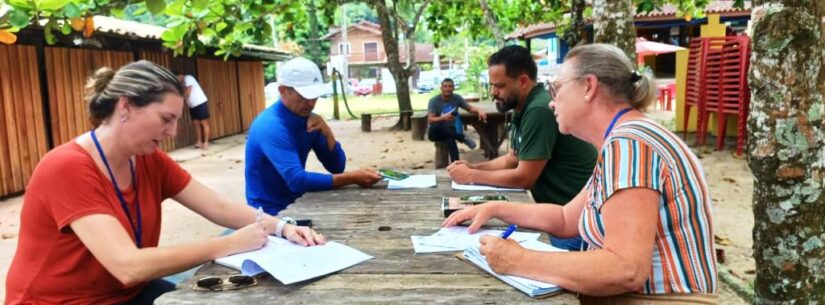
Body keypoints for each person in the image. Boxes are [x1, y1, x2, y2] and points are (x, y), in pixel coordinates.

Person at [5, 61, 326, 305]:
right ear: (125, 106)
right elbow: (127, 266)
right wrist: (229, 243)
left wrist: (283, 227)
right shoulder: (68, 167)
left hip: (125, 294)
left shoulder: (146, 158)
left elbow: (217, 206)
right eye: (165, 119)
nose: (173, 132)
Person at [443, 44, 718, 304]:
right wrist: (494, 208)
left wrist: (519, 260)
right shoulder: (623, 141)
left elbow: (625, 269)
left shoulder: (631, 145)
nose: (552, 102)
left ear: (589, 86)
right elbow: (565, 219)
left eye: (556, 89)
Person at [447, 45, 597, 250]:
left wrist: (471, 176)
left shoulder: (538, 109)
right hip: (553, 212)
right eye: (492, 85)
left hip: (574, 222)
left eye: (499, 86)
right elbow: (512, 158)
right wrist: (474, 168)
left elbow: (523, 177)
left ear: (523, 81)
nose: (493, 92)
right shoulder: (522, 106)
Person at [245, 57, 382, 216]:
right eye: (303, 97)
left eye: (314, 96)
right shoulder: (271, 126)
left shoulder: (310, 120)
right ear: (283, 91)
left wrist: (327, 132)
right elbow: (297, 181)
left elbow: (336, 167)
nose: (310, 103)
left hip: (297, 203)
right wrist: (352, 178)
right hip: (268, 213)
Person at [427, 78, 487, 162]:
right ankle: (462, 138)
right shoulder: (434, 101)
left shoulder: (456, 98)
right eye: (445, 86)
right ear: (441, 88)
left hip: (450, 130)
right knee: (439, 128)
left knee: (450, 138)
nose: (447, 89)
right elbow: (430, 120)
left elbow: (469, 108)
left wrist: (479, 110)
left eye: (450, 86)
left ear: (453, 88)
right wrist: (443, 118)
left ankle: (456, 163)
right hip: (436, 132)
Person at [174, 71, 211, 149]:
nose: (177, 80)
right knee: (196, 123)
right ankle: (199, 142)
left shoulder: (188, 78)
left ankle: (206, 142)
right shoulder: (181, 83)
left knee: (204, 122)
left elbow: (188, 92)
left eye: (177, 78)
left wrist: (179, 99)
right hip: (192, 105)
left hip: (200, 102)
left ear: (181, 75)